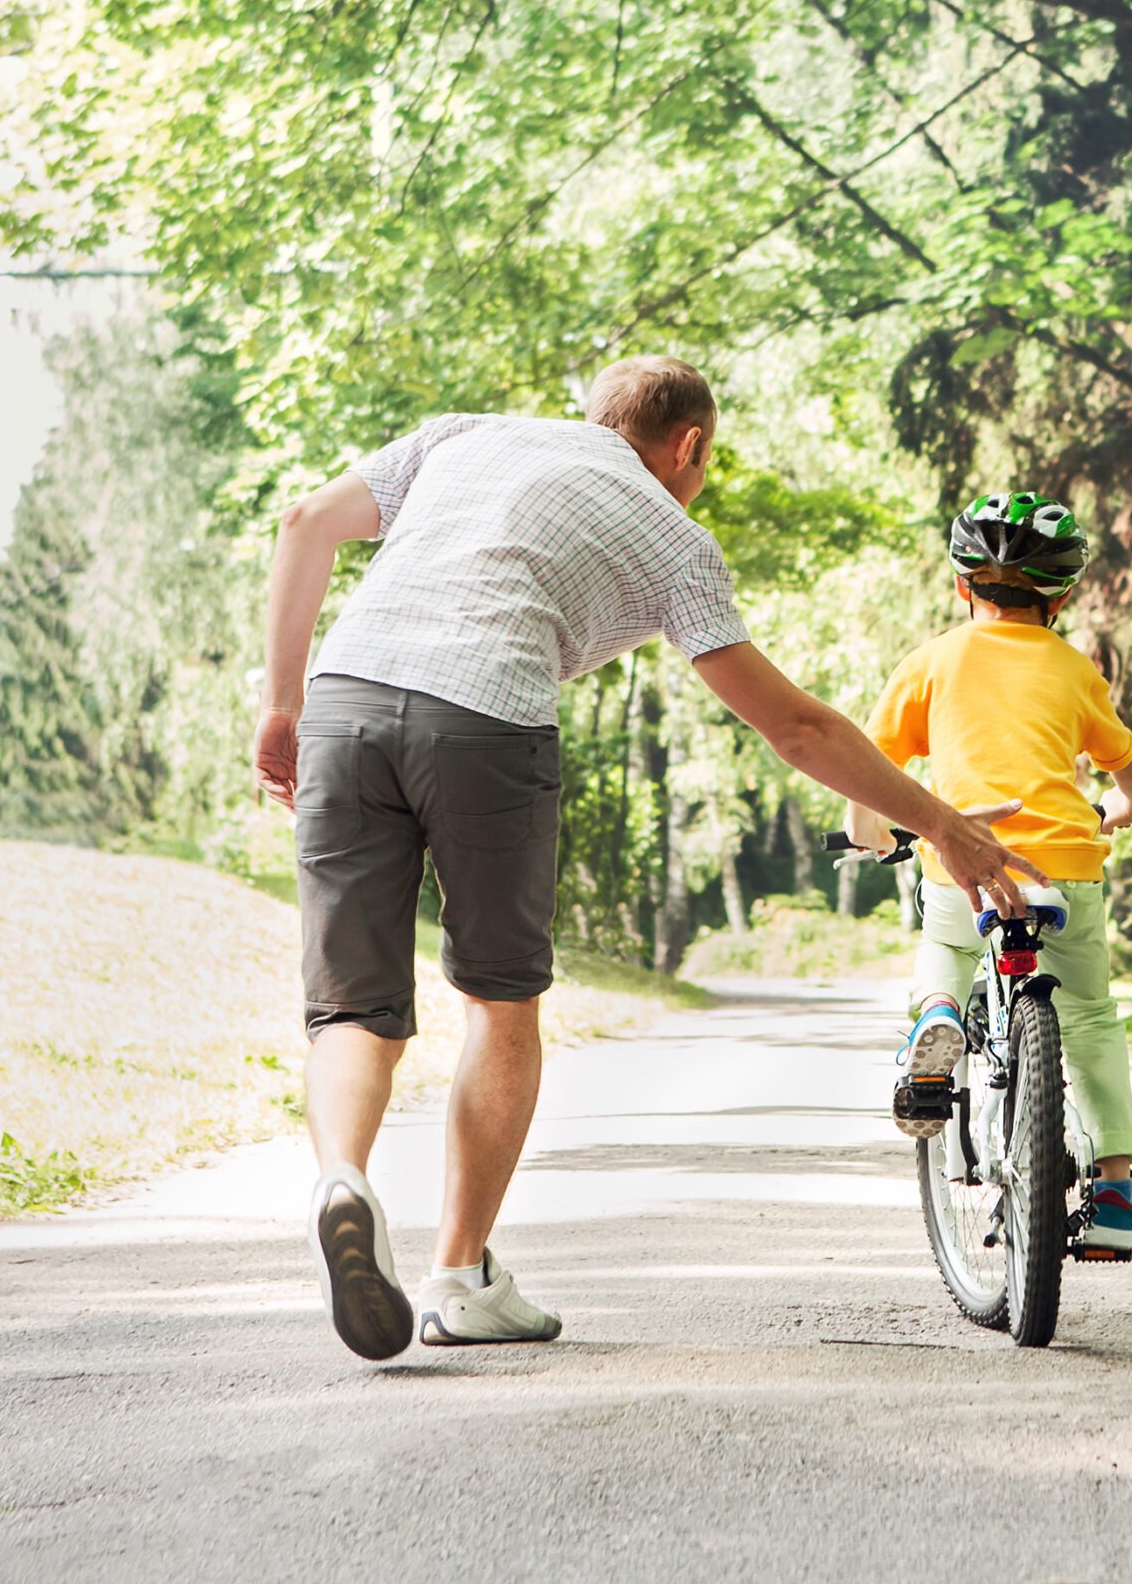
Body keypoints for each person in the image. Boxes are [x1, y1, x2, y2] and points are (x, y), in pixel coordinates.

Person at [252, 356, 1044, 1361]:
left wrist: (281, 705)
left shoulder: (464, 432)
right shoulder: (672, 533)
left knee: (353, 1006)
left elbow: (304, 524)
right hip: (487, 718)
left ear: (595, 415)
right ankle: (458, 1275)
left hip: (349, 697)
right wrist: (941, 820)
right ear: (691, 447)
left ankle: (343, 1178)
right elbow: (796, 729)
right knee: (500, 1003)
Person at [842, 492, 1132, 1251]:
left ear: (962, 586)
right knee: (1086, 1014)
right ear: (1063, 594)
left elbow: (869, 769)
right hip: (1067, 871)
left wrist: (871, 834)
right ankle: (1115, 1186)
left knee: (947, 944)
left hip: (964, 864)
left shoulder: (932, 661)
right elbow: (1130, 768)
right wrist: (1126, 806)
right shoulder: (1076, 669)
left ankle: (937, 1015)